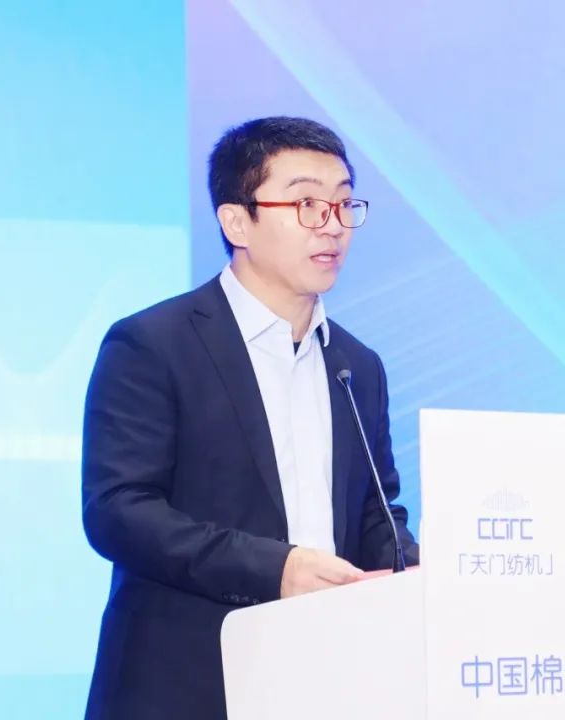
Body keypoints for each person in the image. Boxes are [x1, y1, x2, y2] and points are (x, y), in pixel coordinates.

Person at [81, 116, 419, 720]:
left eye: (344, 203)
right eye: (307, 204)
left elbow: (375, 510)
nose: (333, 225)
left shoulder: (356, 364)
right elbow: (119, 512)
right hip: (187, 682)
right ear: (237, 221)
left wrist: (419, 573)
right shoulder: (153, 344)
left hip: (331, 682)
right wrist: (275, 569)